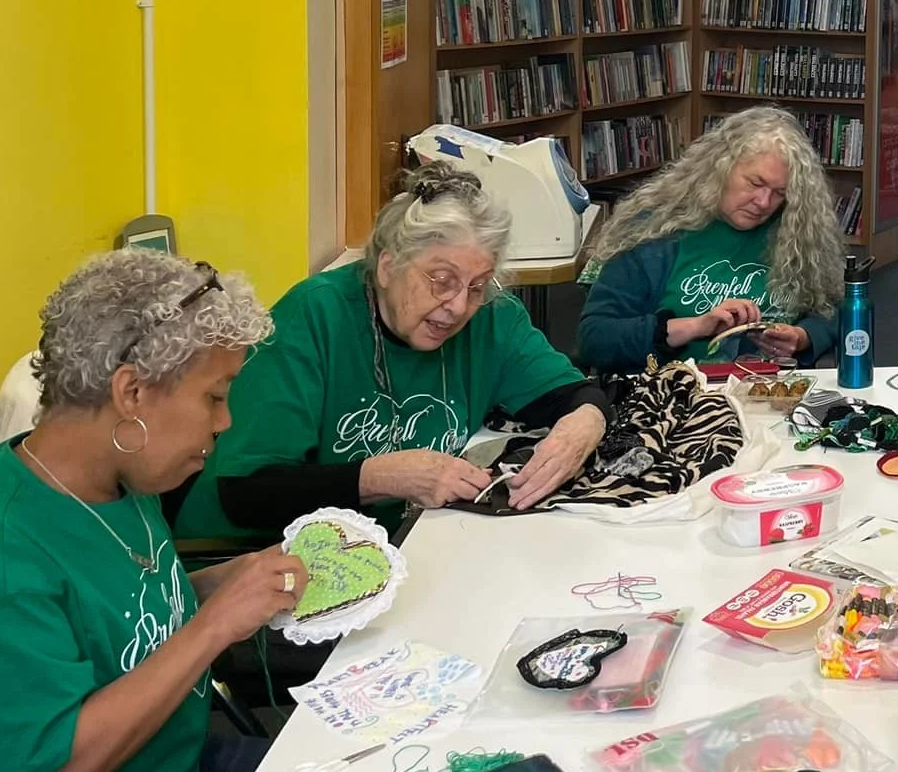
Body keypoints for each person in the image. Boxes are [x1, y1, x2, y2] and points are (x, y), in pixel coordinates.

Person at [0, 250, 302, 772]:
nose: (224, 423)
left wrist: (221, 584)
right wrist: (215, 627)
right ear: (132, 395)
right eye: (215, 396)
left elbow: (124, 614)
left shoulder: (120, 473)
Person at [175, 163, 610, 539]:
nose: (459, 306)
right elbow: (244, 492)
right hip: (251, 557)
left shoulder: (491, 317)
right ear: (387, 266)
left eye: (477, 286)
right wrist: (383, 477)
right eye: (441, 280)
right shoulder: (314, 316)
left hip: (395, 546)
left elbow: (572, 395)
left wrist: (584, 424)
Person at [579, 106, 841, 371]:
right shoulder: (655, 231)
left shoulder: (795, 230)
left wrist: (803, 337)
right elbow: (596, 340)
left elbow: (832, 310)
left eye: (779, 193)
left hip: (771, 398)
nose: (763, 202)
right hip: (674, 398)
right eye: (754, 183)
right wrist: (695, 326)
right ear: (721, 168)